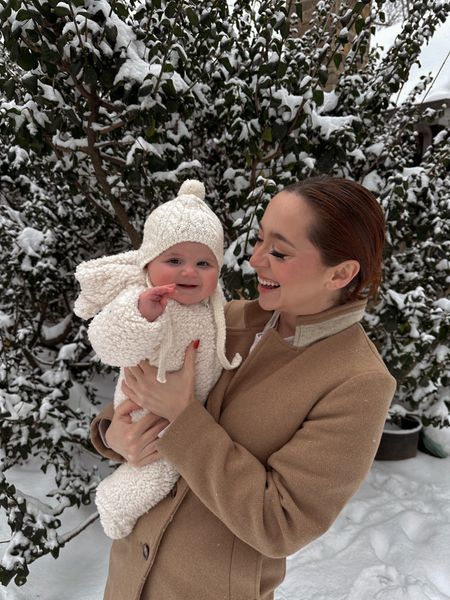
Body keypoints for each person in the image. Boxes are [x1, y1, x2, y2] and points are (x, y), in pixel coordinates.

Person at [90, 176, 396, 600]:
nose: (255, 259)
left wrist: (184, 420)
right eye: (259, 240)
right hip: (128, 580)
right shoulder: (221, 320)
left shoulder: (356, 382)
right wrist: (113, 434)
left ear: (340, 273)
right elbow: (135, 387)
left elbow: (281, 522)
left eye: (279, 251)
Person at [74, 180, 240, 539]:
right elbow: (108, 345)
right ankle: (115, 502)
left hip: (184, 411)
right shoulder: (144, 299)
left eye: (203, 262)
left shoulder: (216, 306)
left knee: (171, 459)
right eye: (174, 260)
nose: (189, 272)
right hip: (143, 408)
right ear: (150, 262)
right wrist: (141, 314)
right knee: (161, 466)